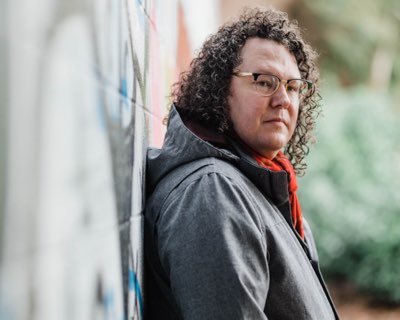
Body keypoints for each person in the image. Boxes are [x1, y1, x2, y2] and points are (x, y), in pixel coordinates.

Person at [144, 6, 339, 320]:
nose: (284, 100)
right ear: (221, 90)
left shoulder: (263, 184)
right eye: (264, 81)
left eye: (292, 86)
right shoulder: (212, 193)